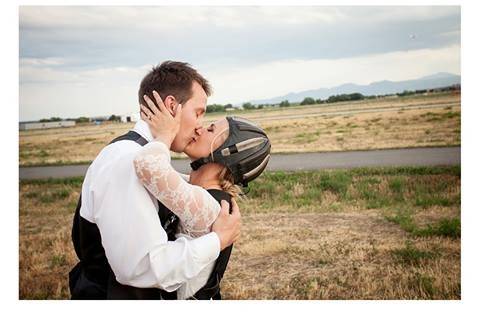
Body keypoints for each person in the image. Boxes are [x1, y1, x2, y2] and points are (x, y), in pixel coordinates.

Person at [69, 61, 241, 299]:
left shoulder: (145, 155)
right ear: (172, 106)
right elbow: (142, 269)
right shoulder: (128, 161)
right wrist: (217, 240)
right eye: (198, 112)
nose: (199, 126)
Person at [134, 96, 271, 299]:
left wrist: (165, 134)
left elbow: (149, 167)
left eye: (210, 130)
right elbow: (177, 180)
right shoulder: (203, 192)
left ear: (228, 152)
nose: (199, 128)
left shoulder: (209, 205)